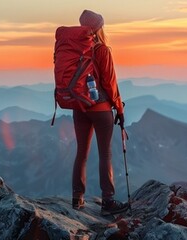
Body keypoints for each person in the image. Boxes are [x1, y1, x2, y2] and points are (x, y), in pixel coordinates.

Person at [71, 9, 129, 216]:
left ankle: (77, 199)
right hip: (100, 108)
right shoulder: (102, 50)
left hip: (79, 107)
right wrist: (119, 109)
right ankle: (108, 201)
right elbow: (110, 83)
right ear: (98, 28)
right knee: (105, 154)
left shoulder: (75, 49)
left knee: (81, 153)